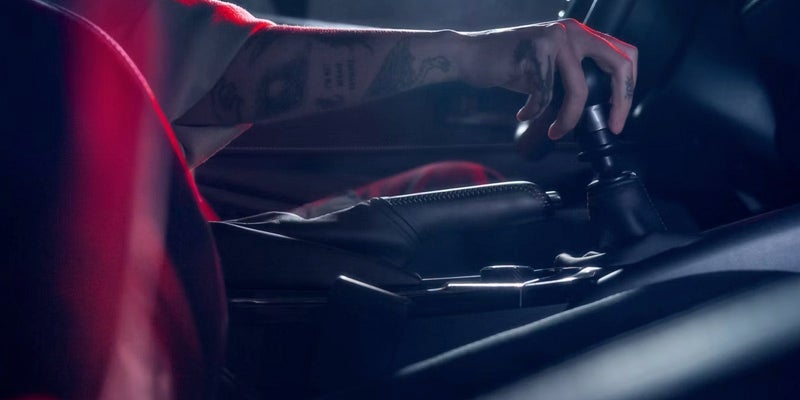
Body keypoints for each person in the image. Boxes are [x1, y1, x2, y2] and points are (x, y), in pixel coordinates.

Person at [44, 0, 637, 218]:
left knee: (463, 184)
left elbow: (204, 58)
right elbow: (224, 67)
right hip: (166, 286)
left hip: (177, 240)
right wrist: (471, 55)